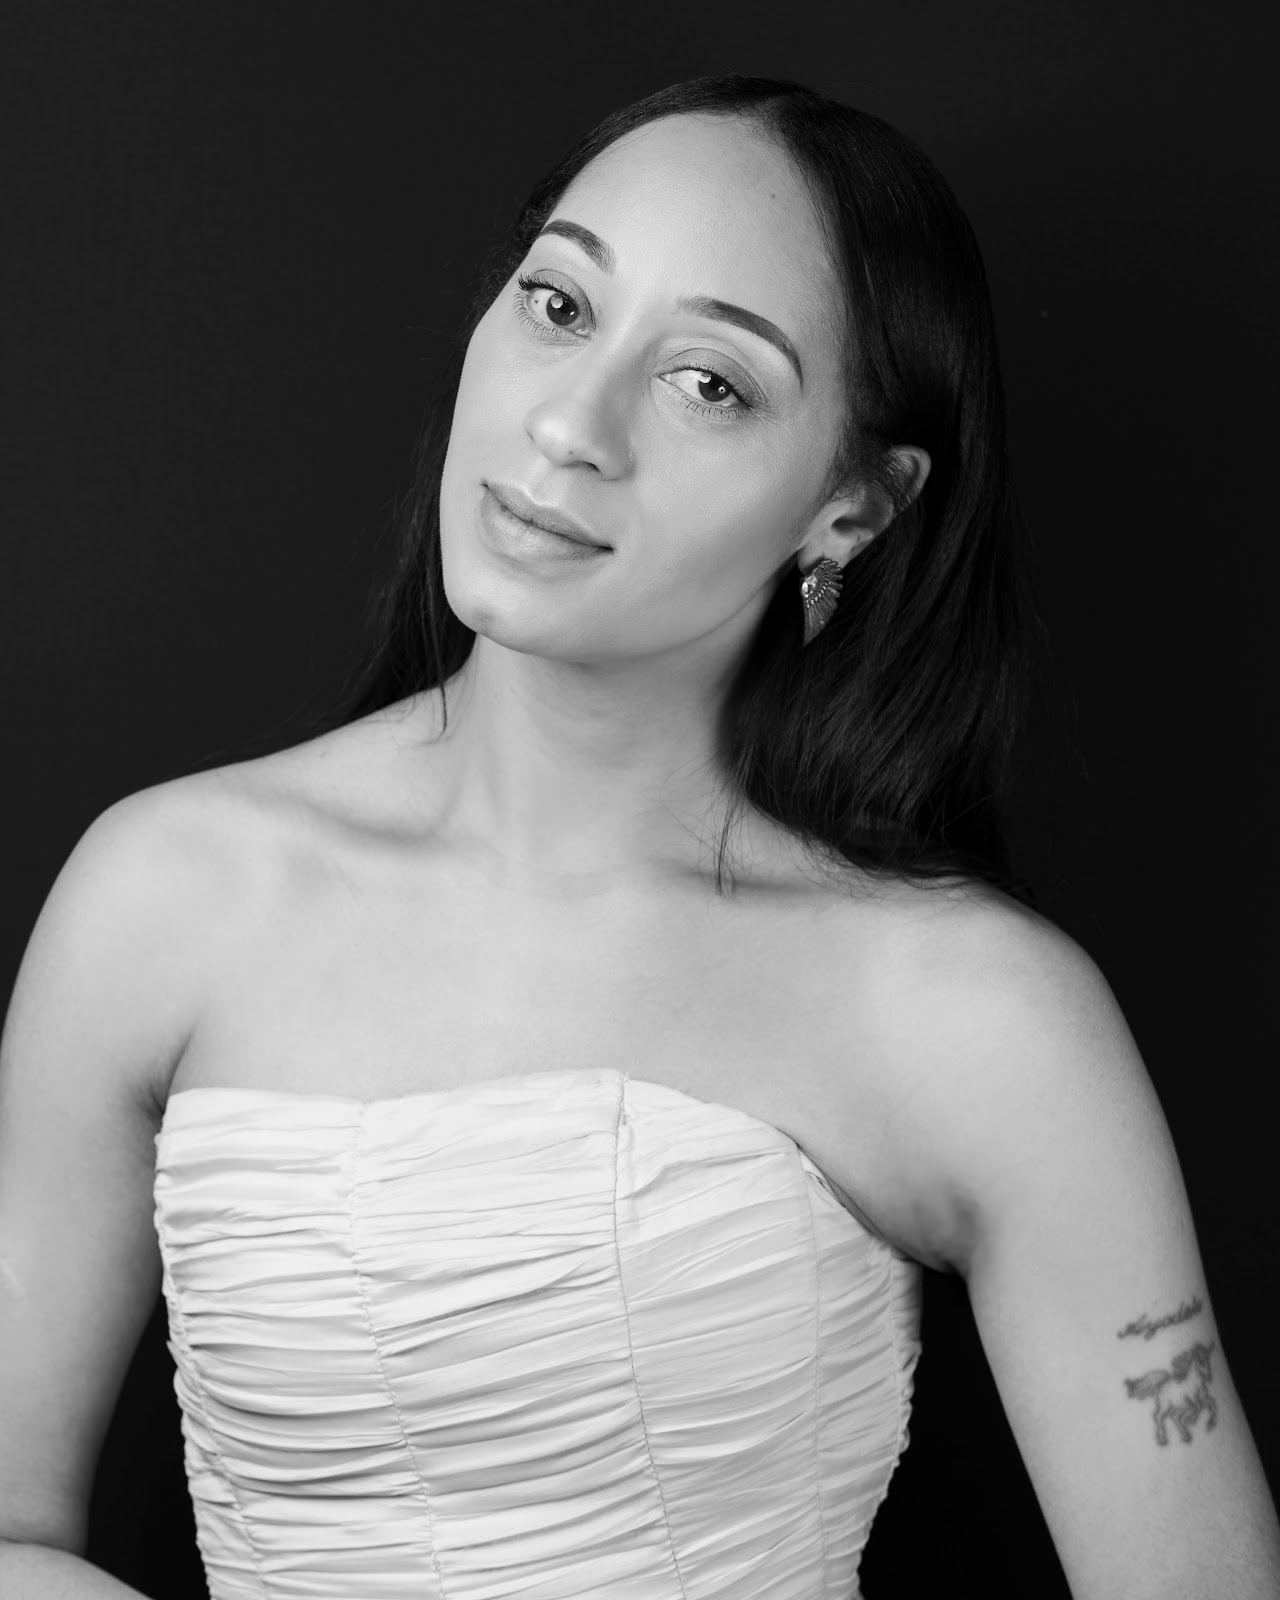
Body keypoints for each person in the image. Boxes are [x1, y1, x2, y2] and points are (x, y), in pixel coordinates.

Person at [0, 73, 1276, 1600]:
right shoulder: (164, 895)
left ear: (855, 510)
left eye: (710, 384)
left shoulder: (969, 1012)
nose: (570, 425)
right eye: (557, 306)